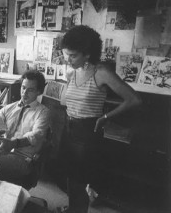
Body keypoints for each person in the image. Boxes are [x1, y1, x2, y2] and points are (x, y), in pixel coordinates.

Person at [59, 25, 141, 213]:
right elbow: (65, 101)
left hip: (87, 132)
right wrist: (67, 80)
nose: (67, 60)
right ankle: (73, 209)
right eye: (65, 55)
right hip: (69, 127)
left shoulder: (101, 72)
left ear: (87, 54)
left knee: (79, 180)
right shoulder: (72, 72)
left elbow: (134, 99)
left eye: (73, 56)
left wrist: (105, 117)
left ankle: (77, 210)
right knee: (70, 179)